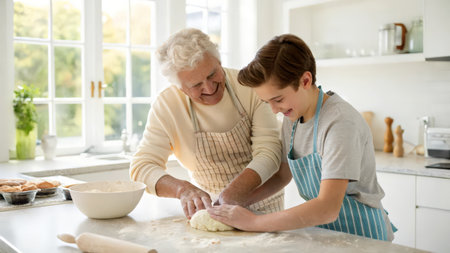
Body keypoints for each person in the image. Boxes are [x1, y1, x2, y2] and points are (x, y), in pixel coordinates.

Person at [208, 34, 396, 241]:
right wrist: (238, 203)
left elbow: (327, 208)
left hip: (364, 238)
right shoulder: (294, 117)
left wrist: (253, 222)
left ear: (305, 80)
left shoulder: (340, 123)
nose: (274, 110)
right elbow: (282, 175)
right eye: (266, 102)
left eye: (278, 99)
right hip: (327, 232)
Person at [130, 28, 284, 219]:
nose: (210, 88)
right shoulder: (168, 106)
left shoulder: (251, 87)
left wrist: (230, 194)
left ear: (219, 62)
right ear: (180, 88)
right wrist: (183, 189)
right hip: (208, 211)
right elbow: (142, 167)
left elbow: (269, 153)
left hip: (265, 207)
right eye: (196, 85)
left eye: (212, 74)